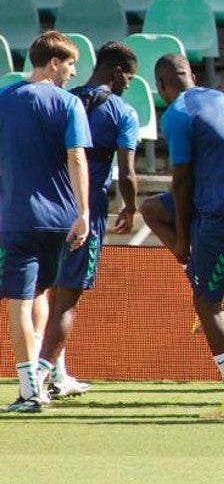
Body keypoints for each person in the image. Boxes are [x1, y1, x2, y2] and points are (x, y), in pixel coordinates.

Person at [138, 54, 224, 418]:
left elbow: (180, 181)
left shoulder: (178, 113)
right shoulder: (222, 98)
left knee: (206, 305)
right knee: (151, 209)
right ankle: (199, 270)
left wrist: (181, 238)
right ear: (192, 76)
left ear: (161, 87)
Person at [37, 42, 140, 400]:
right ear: (116, 72)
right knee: (67, 299)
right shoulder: (121, 111)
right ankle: (39, 376)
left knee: (45, 292)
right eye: (129, 77)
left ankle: (57, 373)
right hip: (88, 208)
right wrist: (129, 207)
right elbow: (126, 173)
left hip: (48, 203)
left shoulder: (64, 99)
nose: (129, 84)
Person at [0, 31, 91, 413]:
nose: (72, 72)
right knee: (40, 294)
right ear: (53, 62)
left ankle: (28, 389)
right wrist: (84, 213)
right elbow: (77, 158)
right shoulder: (69, 104)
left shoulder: (5, 100)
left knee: (18, 301)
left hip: (17, 218)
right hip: (59, 221)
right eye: (70, 64)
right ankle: (41, 376)